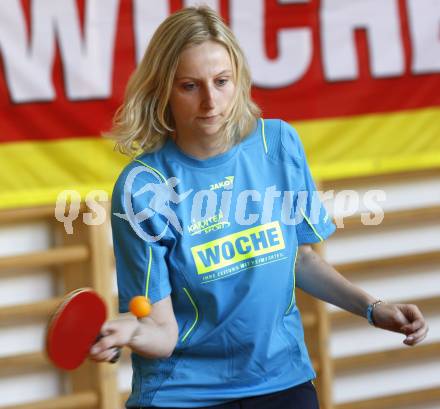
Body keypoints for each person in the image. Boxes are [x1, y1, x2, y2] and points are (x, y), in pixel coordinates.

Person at [90, 6, 429, 409]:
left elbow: (299, 258)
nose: (210, 101)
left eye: (221, 81)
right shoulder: (142, 187)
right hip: (184, 395)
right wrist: (130, 331)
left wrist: (373, 309)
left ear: (239, 80)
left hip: (282, 382)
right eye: (189, 86)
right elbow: (162, 333)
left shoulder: (279, 144)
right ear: (163, 89)